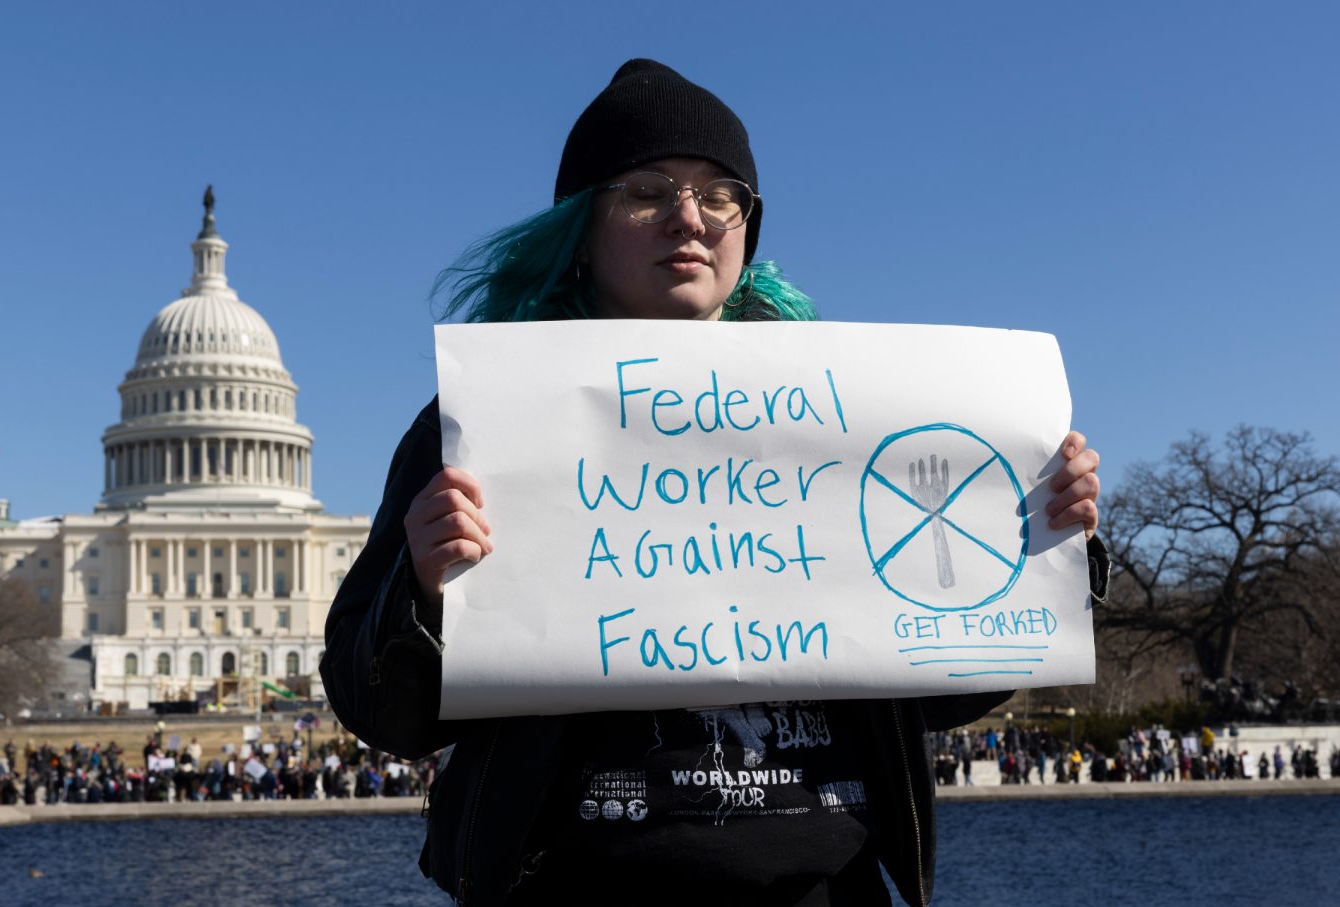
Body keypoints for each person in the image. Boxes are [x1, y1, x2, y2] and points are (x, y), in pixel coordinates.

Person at [322, 59, 1106, 906]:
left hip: (828, 886)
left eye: (720, 193)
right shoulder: (475, 423)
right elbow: (382, 713)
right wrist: (427, 590)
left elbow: (951, 692)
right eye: (647, 190)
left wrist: (1047, 546)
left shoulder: (852, 416)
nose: (688, 218)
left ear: (748, 225)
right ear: (581, 227)